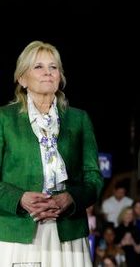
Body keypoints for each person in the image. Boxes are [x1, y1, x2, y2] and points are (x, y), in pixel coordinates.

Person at [0, 40, 104, 266]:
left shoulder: (79, 119)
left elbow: (94, 179)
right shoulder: (3, 119)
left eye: (53, 67)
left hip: (68, 234)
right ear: (22, 78)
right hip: (16, 234)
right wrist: (20, 198)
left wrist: (71, 198)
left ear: (60, 76)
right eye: (38, 67)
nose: (47, 72)